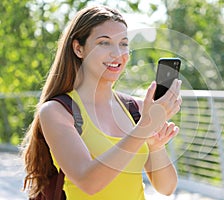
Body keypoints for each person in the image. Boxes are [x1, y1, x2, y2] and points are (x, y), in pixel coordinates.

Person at [21, 4, 182, 200]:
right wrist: (143, 129)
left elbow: (167, 188)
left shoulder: (136, 109)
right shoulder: (57, 111)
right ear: (78, 48)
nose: (117, 53)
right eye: (104, 43)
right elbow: (88, 182)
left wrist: (156, 146)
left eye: (123, 43)